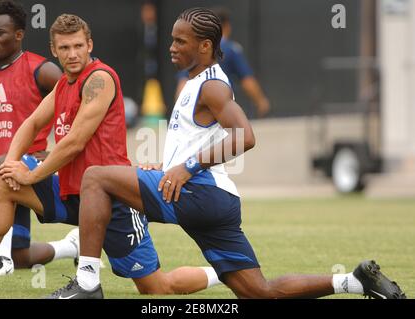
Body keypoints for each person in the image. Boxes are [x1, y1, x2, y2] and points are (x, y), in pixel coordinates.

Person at [47, 7, 407, 299]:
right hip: (215, 201)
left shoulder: (212, 86)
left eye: (179, 41)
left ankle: (88, 283)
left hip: (198, 192)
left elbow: (245, 135)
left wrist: (186, 168)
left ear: (204, 46)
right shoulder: (193, 82)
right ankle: (355, 282)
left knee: (96, 177)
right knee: (260, 293)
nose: (171, 47)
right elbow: (199, 140)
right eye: (171, 39)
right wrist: (169, 166)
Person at [0, 13, 221, 296]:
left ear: (89, 45)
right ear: (54, 50)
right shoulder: (64, 83)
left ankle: (223, 272)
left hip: (112, 198)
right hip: (70, 190)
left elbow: (74, 141)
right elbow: (32, 123)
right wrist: (14, 162)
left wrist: (33, 173)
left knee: (157, 288)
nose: (72, 54)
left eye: (77, 46)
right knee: (2, 171)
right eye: (64, 48)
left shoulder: (100, 78)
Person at [0, 0, 79, 277]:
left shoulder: (42, 70)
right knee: (22, 256)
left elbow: (76, 103)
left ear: (18, 35)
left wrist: (54, 150)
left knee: (6, 257)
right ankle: (73, 245)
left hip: (24, 170)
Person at [175, 7, 270, 118]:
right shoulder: (231, 49)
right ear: (227, 26)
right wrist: (261, 101)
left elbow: (183, 83)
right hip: (221, 109)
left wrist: (181, 111)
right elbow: (247, 81)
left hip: (197, 112)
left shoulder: (194, 50)